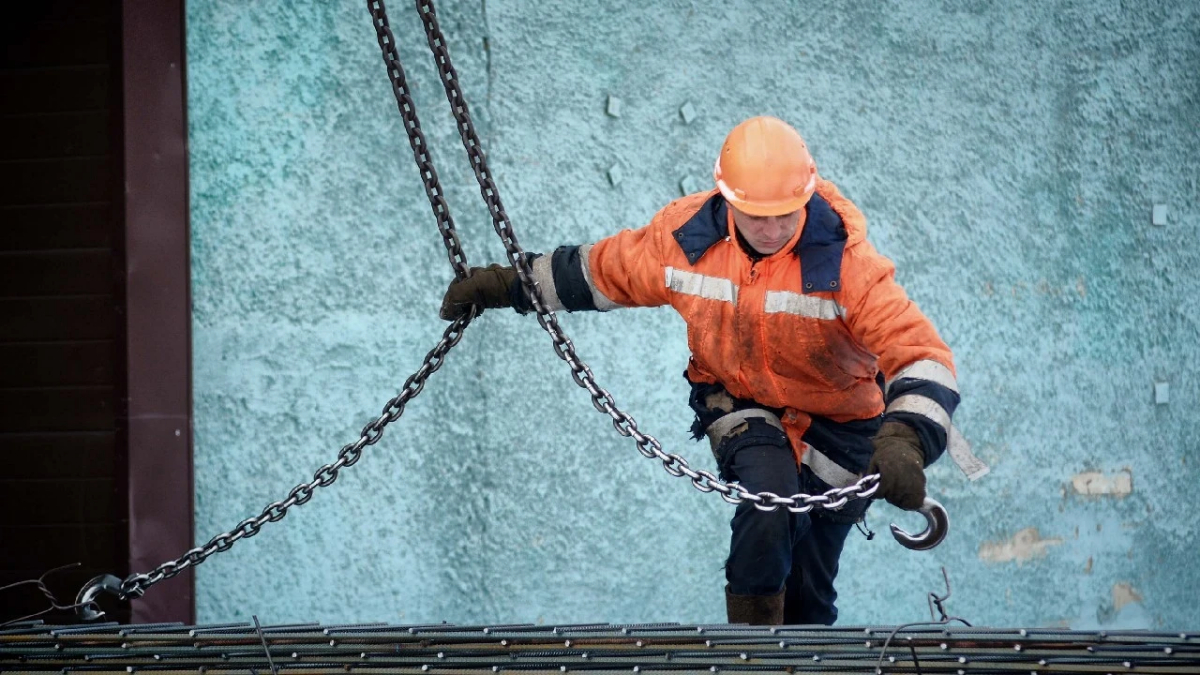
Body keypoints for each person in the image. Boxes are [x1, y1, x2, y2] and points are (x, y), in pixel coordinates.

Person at [439, 116, 959, 626]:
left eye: (786, 214)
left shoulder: (847, 265)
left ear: (807, 197)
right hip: (736, 398)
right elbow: (600, 273)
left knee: (808, 585)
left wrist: (906, 440)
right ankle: (750, 655)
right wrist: (503, 286)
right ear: (727, 200)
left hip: (842, 426)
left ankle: (802, 659)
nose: (773, 230)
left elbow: (919, 353)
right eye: (757, 216)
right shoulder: (686, 240)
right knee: (768, 506)